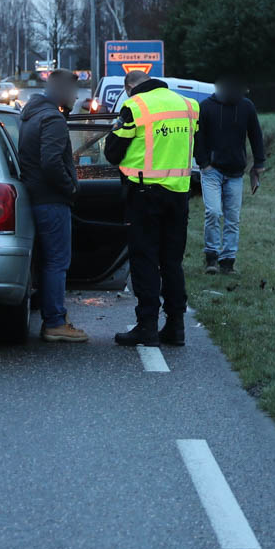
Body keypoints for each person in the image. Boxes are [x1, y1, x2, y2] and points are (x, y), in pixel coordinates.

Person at [103, 69, 198, 347]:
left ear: (129, 87)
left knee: (145, 260)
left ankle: (146, 327)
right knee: (172, 262)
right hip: (179, 193)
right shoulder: (189, 106)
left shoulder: (134, 106)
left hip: (144, 195)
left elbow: (112, 152)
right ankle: (176, 326)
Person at [18, 69, 86, 342]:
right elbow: (51, 162)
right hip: (52, 200)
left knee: (48, 261)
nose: (75, 96)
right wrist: (69, 186)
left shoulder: (31, 114)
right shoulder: (53, 119)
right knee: (58, 262)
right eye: (72, 91)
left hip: (37, 196)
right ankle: (56, 322)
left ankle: (54, 315)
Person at [194, 75, 265, 275]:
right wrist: (204, 164)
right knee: (213, 213)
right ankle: (211, 257)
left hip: (236, 172)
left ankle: (228, 262)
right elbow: (198, 138)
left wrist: (259, 163)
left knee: (233, 218)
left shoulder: (247, 107)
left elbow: (255, 135)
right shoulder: (206, 107)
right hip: (212, 171)